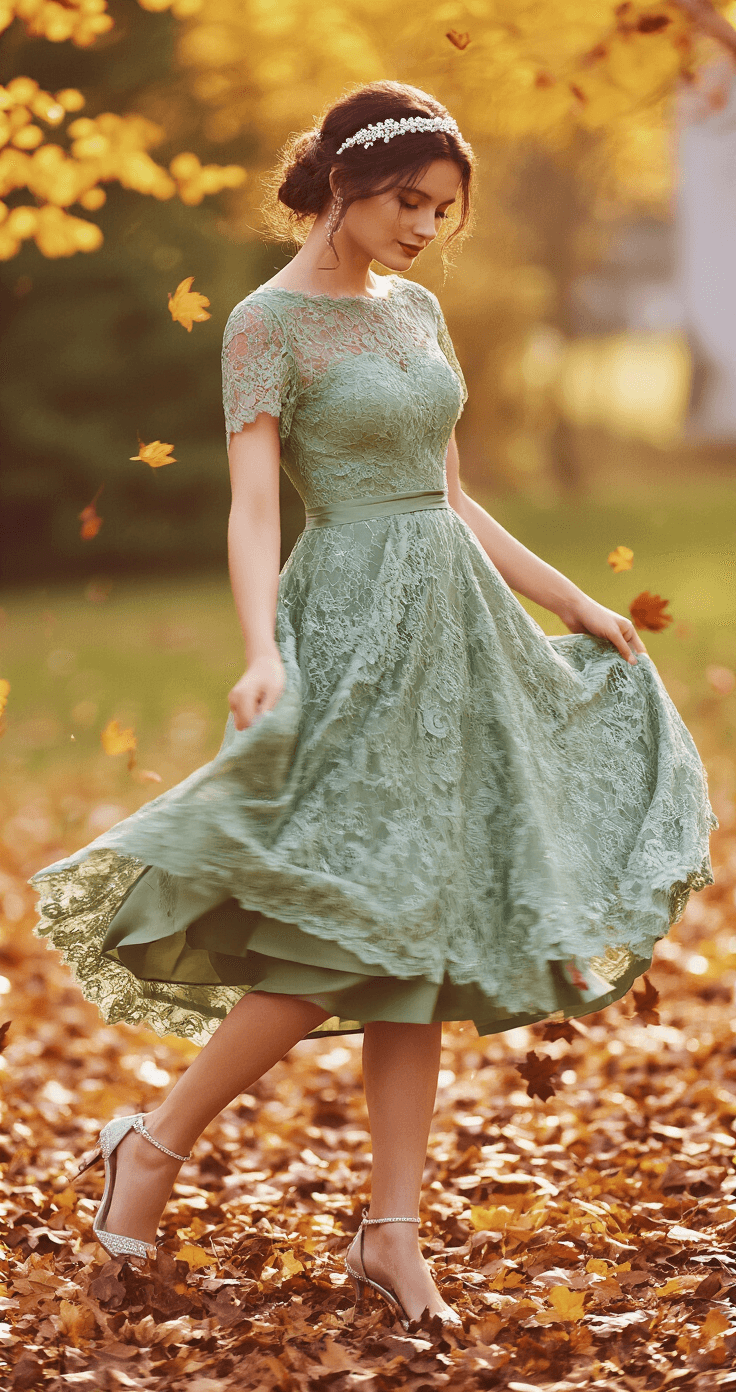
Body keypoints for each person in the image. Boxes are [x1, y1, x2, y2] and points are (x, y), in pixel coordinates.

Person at [30, 80, 718, 1331]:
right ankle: (158, 1140)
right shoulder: (265, 322)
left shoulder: (419, 313)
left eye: (443, 211)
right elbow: (251, 507)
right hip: (344, 624)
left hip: (457, 629)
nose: (423, 228)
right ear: (343, 184)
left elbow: (449, 495)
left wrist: (572, 603)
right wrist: (258, 651)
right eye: (409, 202)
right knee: (344, 930)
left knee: (424, 935)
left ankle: (390, 1235)